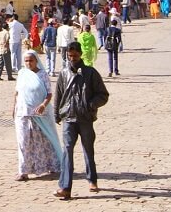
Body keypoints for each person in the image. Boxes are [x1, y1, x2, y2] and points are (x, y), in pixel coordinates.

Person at [53, 41, 109, 200]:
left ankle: (92, 179)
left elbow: (103, 95)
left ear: (80, 55)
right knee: (67, 151)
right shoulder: (64, 74)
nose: (72, 59)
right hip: (68, 118)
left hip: (85, 118)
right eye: (70, 56)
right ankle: (65, 187)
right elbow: (58, 95)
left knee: (88, 150)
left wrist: (90, 104)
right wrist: (57, 114)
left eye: (75, 56)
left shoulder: (91, 73)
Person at [11, 51, 62, 181]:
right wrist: (14, 108)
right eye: (26, 61)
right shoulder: (22, 73)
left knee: (44, 141)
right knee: (23, 142)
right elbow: (17, 92)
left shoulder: (42, 75)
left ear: (36, 61)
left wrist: (44, 105)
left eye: (31, 61)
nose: (29, 63)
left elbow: (49, 94)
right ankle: (23, 171)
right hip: (22, 113)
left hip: (39, 114)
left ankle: (52, 165)